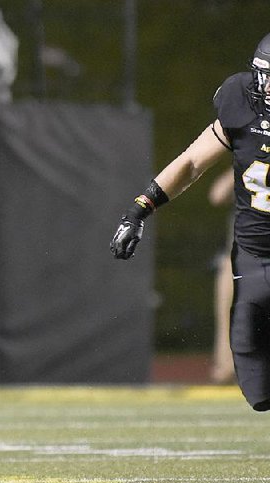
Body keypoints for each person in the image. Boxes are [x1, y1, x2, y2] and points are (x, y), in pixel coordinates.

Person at [110, 33, 270, 410]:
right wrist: (139, 209)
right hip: (253, 255)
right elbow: (193, 162)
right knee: (257, 389)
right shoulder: (242, 102)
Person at [207, 169, 236, 384]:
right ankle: (226, 368)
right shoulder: (247, 162)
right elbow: (217, 195)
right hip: (237, 257)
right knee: (228, 319)